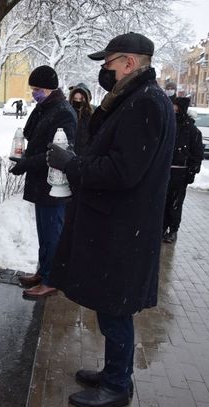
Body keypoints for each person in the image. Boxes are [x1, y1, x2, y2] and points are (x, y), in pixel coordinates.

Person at [46, 32, 175, 407]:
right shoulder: (134, 99)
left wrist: (73, 165)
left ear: (129, 63)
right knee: (110, 306)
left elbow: (123, 171)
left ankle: (117, 385)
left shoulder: (145, 104)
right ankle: (115, 372)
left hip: (123, 228)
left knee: (115, 308)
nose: (104, 71)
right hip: (119, 224)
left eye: (108, 64)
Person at [9, 65, 77, 298]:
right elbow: (33, 137)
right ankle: (43, 270)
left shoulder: (63, 112)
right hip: (41, 182)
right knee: (44, 232)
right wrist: (23, 160)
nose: (34, 93)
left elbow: (57, 152)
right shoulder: (45, 108)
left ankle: (51, 280)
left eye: (38, 89)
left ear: (49, 88)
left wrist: (26, 163)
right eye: (33, 89)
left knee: (52, 233)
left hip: (53, 183)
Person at [162, 96, 204, 243]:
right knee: (163, 201)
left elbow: (197, 153)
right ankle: (162, 227)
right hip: (166, 171)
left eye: (176, 106)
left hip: (180, 172)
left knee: (175, 202)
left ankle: (173, 230)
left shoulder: (191, 130)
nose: (173, 108)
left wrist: (192, 171)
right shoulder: (168, 123)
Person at [68, 84, 94, 155]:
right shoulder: (68, 112)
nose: (78, 101)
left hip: (86, 154)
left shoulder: (92, 113)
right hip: (70, 153)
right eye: (75, 99)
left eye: (81, 99)